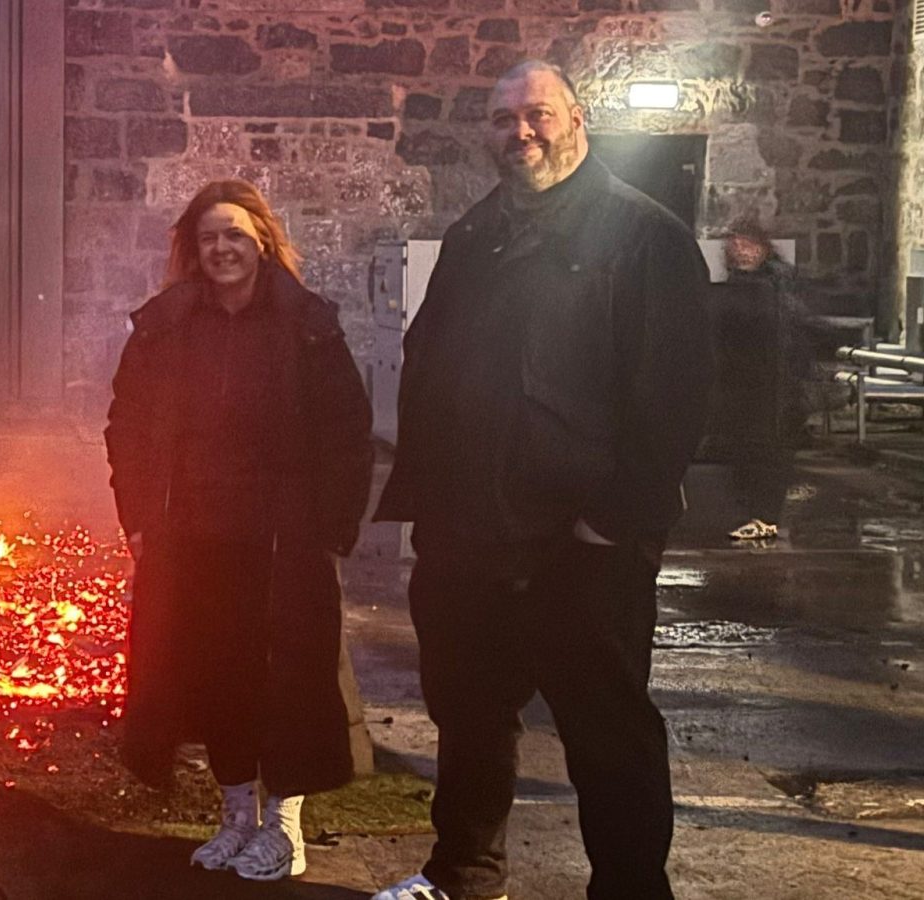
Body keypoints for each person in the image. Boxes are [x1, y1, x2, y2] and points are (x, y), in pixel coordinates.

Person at [371, 61, 714, 900]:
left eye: (536, 115)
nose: (519, 132)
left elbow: (675, 397)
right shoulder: (474, 235)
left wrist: (608, 524)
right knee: (470, 723)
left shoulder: (644, 237)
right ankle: (461, 875)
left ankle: (631, 891)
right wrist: (432, 515)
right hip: (470, 542)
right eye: (501, 119)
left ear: (577, 118)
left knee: (608, 738)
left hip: (581, 551)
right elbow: (430, 364)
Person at [104, 179, 374, 882]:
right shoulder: (167, 328)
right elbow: (126, 427)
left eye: (234, 233)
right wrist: (136, 518)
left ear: (261, 239)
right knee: (214, 680)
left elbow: (348, 434)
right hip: (191, 540)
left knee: (285, 684)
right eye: (207, 237)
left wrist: (333, 534)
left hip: (284, 543)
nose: (221, 248)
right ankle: (236, 817)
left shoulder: (307, 326)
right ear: (192, 250)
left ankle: (286, 829)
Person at [720, 218, 812, 541]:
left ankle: (765, 517)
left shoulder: (774, 285)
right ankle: (759, 514)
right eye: (737, 245)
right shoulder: (744, 283)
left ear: (762, 248)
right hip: (749, 386)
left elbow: (790, 334)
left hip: (773, 387)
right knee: (749, 451)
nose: (742, 252)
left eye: (748, 245)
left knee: (767, 452)